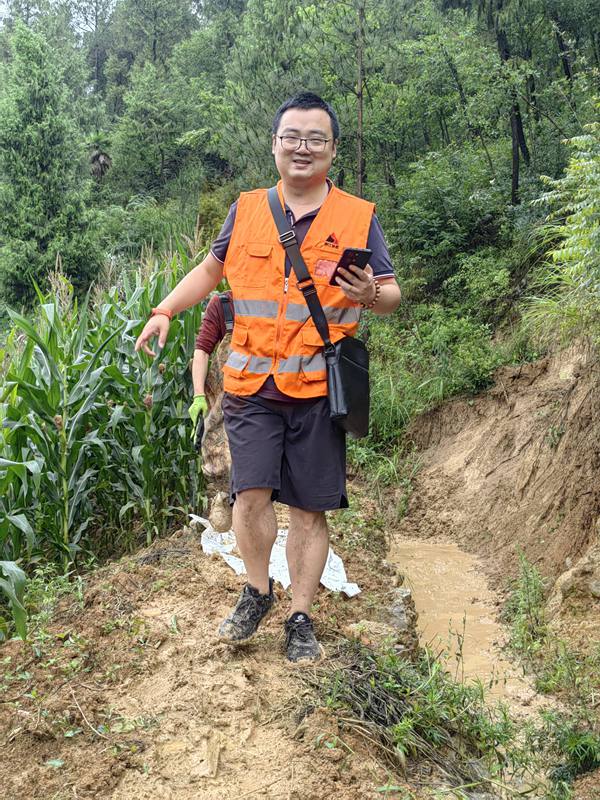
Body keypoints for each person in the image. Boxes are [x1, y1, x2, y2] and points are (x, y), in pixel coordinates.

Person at [135, 92, 401, 664]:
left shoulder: (358, 216)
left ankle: (300, 616)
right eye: (292, 137)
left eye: (316, 139)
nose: (302, 148)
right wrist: (165, 310)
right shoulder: (248, 207)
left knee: (309, 508)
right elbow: (211, 270)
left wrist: (370, 293)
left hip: (318, 391)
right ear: (275, 144)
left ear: (332, 148)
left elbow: (391, 293)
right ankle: (258, 589)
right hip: (251, 386)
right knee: (246, 497)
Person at [188, 291, 234, 532]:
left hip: (264, 394)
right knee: (217, 448)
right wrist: (198, 394)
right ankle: (224, 495)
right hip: (226, 396)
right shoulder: (223, 305)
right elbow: (203, 349)